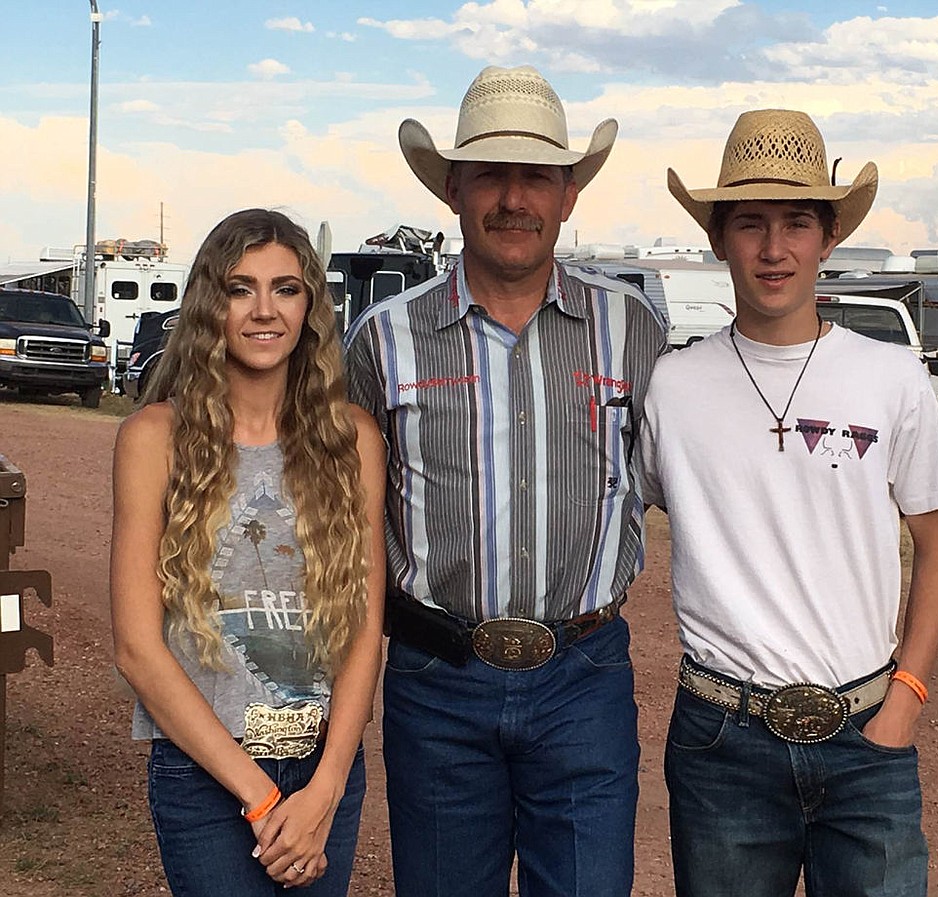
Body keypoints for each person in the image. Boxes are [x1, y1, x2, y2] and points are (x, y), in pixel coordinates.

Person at [344, 65, 665, 897]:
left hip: (583, 677)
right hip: (437, 679)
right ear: (453, 189)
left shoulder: (632, 332)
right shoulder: (384, 343)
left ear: (568, 195)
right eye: (491, 173)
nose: (513, 198)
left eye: (537, 176)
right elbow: (343, 520)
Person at [640, 110, 938, 897]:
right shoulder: (673, 386)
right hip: (724, 738)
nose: (773, 248)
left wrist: (908, 699)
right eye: (749, 223)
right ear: (719, 240)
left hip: (867, 735)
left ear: (828, 237)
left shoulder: (891, 379)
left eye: (796, 223)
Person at [110, 208, 386, 896]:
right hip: (204, 776)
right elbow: (138, 647)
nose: (264, 310)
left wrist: (324, 788)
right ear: (212, 305)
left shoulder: (352, 440)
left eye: (285, 288)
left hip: (324, 774)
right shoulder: (155, 437)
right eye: (241, 289)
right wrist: (261, 798)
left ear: (311, 306)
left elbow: (363, 630)